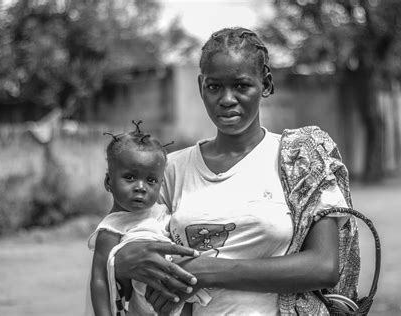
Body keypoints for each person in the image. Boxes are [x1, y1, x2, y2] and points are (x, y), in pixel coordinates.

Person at [113, 27, 360, 315]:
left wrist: (205, 271)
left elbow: (323, 266)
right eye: (214, 86)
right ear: (200, 86)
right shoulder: (169, 170)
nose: (227, 99)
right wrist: (122, 260)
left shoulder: (299, 160)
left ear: (265, 84)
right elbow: (116, 247)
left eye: (241, 86)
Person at [84, 123, 210, 316]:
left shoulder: (162, 212)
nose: (140, 187)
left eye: (151, 180)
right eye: (130, 177)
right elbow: (100, 278)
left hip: (179, 299)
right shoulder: (112, 229)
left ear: (161, 183)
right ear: (108, 181)